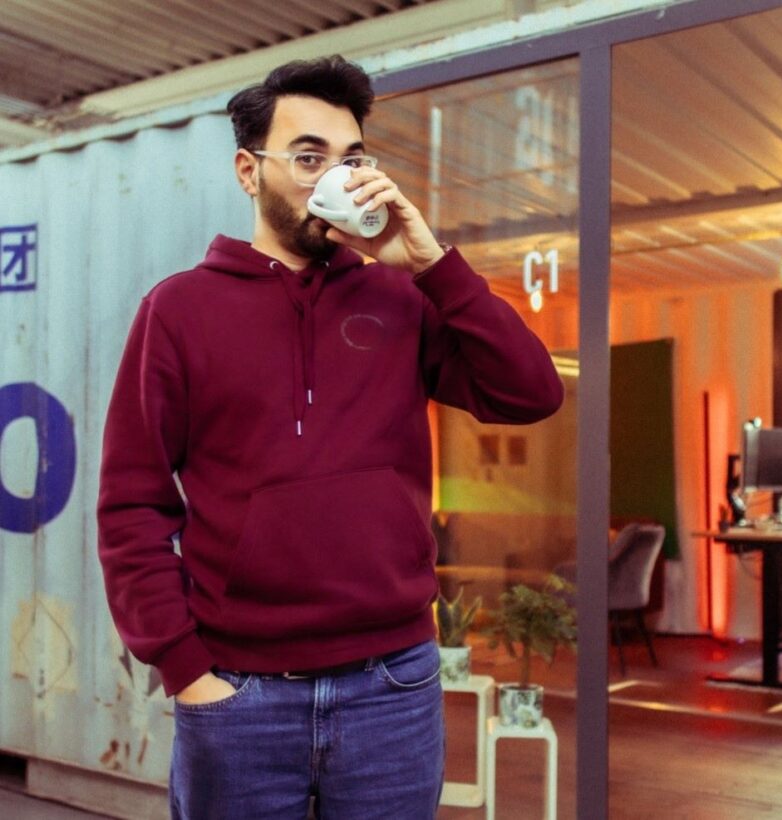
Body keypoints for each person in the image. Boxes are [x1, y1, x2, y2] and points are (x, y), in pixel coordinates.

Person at [96, 55, 563, 820]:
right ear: (249, 171)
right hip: (239, 694)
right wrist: (186, 671)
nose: (337, 179)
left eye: (352, 160)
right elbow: (131, 508)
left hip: (394, 689)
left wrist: (433, 266)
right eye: (309, 157)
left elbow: (532, 391)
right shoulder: (177, 311)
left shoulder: (402, 298)